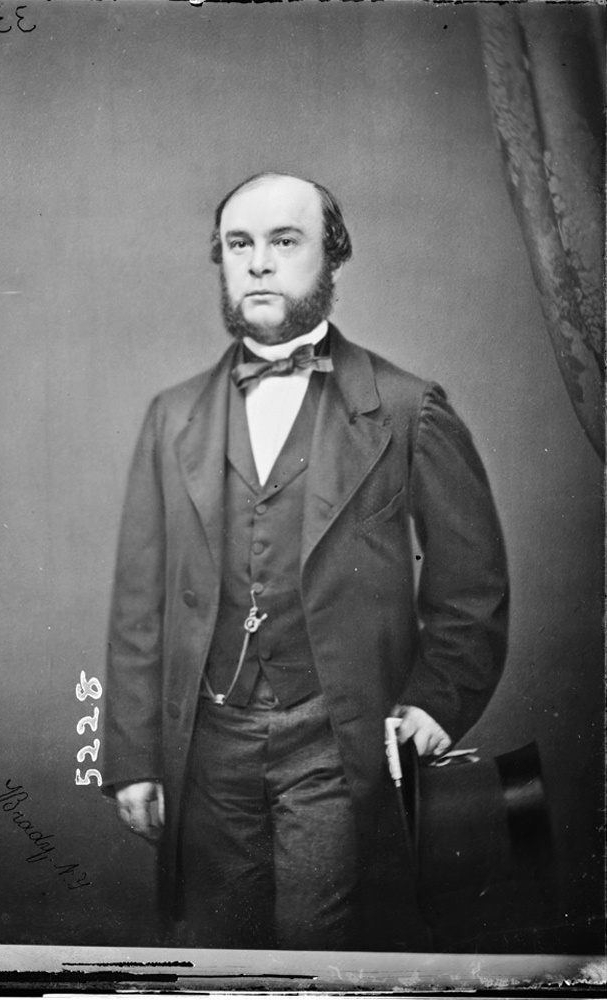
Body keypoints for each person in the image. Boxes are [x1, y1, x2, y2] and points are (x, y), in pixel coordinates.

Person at [102, 171, 509, 952]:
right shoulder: (172, 417)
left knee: (316, 955)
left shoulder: (405, 407)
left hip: (335, 743)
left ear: (334, 261)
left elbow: (472, 585)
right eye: (238, 245)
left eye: (284, 242)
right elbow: (137, 602)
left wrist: (437, 701)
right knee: (223, 953)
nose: (257, 263)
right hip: (207, 747)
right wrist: (130, 756)